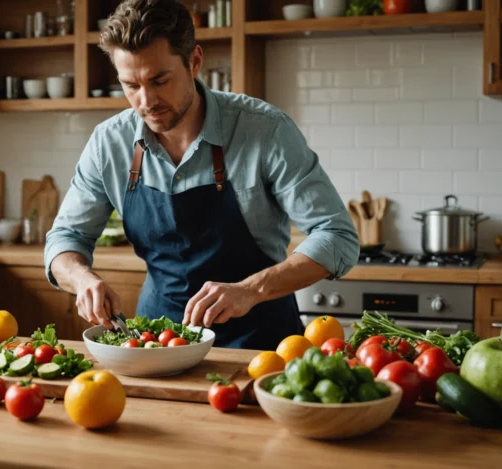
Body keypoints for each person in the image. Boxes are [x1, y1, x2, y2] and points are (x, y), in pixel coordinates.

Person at [43, 0, 359, 350]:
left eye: (159, 80)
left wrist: (249, 290)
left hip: (262, 345)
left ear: (194, 61)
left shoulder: (265, 130)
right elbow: (65, 238)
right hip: (158, 344)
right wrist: (82, 278)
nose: (146, 101)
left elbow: (337, 235)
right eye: (130, 85)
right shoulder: (109, 143)